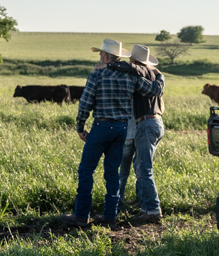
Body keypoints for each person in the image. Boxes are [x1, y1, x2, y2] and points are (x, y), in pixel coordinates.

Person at [60, 39, 165, 227]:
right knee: (112, 173)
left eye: (101, 54)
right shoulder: (131, 77)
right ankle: (110, 215)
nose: (100, 57)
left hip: (101, 126)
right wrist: (159, 76)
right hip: (121, 129)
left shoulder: (97, 75)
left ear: (106, 56)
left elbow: (85, 104)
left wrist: (80, 128)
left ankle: (81, 215)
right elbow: (154, 90)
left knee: (86, 170)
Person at [110, 44, 164, 224]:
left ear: (133, 61)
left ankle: (152, 208)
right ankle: (144, 203)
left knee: (142, 168)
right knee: (141, 165)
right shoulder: (158, 75)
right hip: (156, 123)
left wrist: (110, 66)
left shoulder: (135, 75)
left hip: (144, 123)